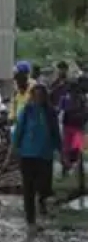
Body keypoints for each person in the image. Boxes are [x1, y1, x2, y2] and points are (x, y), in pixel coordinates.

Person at [13, 83, 62, 233]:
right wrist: (15, 147)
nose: (38, 98)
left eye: (41, 95)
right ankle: (31, 221)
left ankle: (42, 203)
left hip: (44, 155)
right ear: (32, 96)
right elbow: (19, 130)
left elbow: (55, 133)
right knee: (28, 189)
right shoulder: (27, 111)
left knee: (44, 185)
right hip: (27, 154)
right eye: (36, 95)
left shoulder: (51, 112)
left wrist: (60, 150)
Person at [59, 79, 87, 175]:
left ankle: (76, 169)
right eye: (71, 89)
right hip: (68, 126)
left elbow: (86, 112)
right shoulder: (65, 99)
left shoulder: (82, 99)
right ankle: (67, 168)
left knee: (76, 149)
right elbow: (61, 111)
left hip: (77, 127)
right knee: (67, 149)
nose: (73, 91)